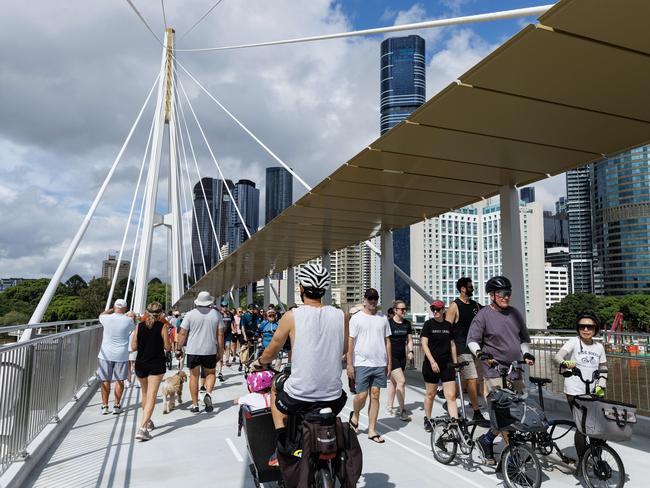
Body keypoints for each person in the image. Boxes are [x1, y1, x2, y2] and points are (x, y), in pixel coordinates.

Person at [251, 263, 348, 467]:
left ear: (301, 288)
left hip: (299, 397)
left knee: (276, 387)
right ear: (325, 289)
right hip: (334, 397)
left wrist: (259, 363)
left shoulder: (292, 316)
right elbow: (344, 349)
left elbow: (273, 350)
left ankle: (281, 444)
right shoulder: (341, 316)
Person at [467, 276, 534, 465]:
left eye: (508, 293)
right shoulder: (483, 315)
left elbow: (523, 339)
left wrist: (527, 354)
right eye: (503, 294)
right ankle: (513, 459)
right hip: (494, 372)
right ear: (492, 295)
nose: (507, 297)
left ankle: (486, 440)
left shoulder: (515, 314)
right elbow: (472, 340)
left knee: (518, 411)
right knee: (504, 413)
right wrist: (480, 353)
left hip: (515, 370)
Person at [554, 311, 607, 459]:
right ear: (578, 328)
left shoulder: (599, 347)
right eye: (582, 326)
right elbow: (558, 356)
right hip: (574, 390)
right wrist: (565, 363)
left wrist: (601, 385)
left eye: (589, 327)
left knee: (598, 425)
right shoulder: (573, 342)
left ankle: (596, 458)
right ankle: (582, 461)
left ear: (595, 328)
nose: (586, 330)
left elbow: (603, 367)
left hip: (593, 391)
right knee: (582, 426)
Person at [347, 288, 392, 444]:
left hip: (379, 363)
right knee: (361, 395)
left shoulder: (383, 318)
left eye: (375, 298)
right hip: (361, 363)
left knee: (375, 395)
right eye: (370, 298)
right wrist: (349, 364)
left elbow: (387, 341)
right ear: (364, 299)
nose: (373, 301)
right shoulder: (356, 318)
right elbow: (351, 341)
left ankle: (372, 430)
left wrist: (389, 362)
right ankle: (355, 415)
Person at [176, 291, 225, 413]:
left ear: (198, 301)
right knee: (211, 374)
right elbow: (220, 334)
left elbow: (182, 333)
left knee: (194, 376)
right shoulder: (216, 314)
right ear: (210, 302)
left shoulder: (190, 314)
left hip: (193, 350)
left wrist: (178, 348)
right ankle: (207, 394)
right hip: (210, 349)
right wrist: (220, 350)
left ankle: (195, 404)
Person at [445, 277, 486, 422]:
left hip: (475, 347)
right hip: (461, 347)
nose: (472, 289)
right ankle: (476, 412)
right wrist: (449, 352)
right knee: (472, 379)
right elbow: (447, 330)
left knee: (469, 380)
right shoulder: (454, 306)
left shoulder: (476, 305)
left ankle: (448, 400)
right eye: (470, 287)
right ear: (462, 289)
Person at [132, 302, 170, 441]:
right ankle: (142, 429)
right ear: (160, 314)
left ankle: (148, 422)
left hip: (141, 364)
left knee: (145, 393)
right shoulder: (162, 326)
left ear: (146, 312)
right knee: (152, 395)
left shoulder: (139, 326)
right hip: (156, 364)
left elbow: (133, 346)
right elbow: (167, 347)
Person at [421, 300, 459, 433]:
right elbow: (424, 344)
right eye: (433, 309)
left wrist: (455, 363)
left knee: (451, 396)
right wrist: (432, 361)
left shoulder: (448, 325)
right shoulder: (428, 324)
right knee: (431, 394)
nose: (435, 312)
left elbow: (452, 345)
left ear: (443, 310)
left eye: (438, 309)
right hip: (431, 364)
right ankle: (428, 418)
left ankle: (455, 422)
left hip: (447, 364)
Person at [97, 299, 134, 415]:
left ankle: (104, 406)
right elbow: (132, 329)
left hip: (105, 354)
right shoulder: (128, 321)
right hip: (121, 355)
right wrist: (130, 316)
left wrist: (111, 309)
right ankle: (117, 406)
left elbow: (101, 315)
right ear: (125, 308)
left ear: (114, 307)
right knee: (120, 380)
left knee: (105, 380)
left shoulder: (106, 318)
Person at [386, 299, 414, 421]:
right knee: (401, 381)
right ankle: (402, 411)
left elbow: (410, 340)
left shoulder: (407, 324)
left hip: (402, 357)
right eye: (401, 309)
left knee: (394, 382)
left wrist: (411, 351)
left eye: (405, 309)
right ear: (395, 310)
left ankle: (389, 407)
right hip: (391, 357)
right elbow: (383, 341)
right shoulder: (388, 323)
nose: (404, 311)